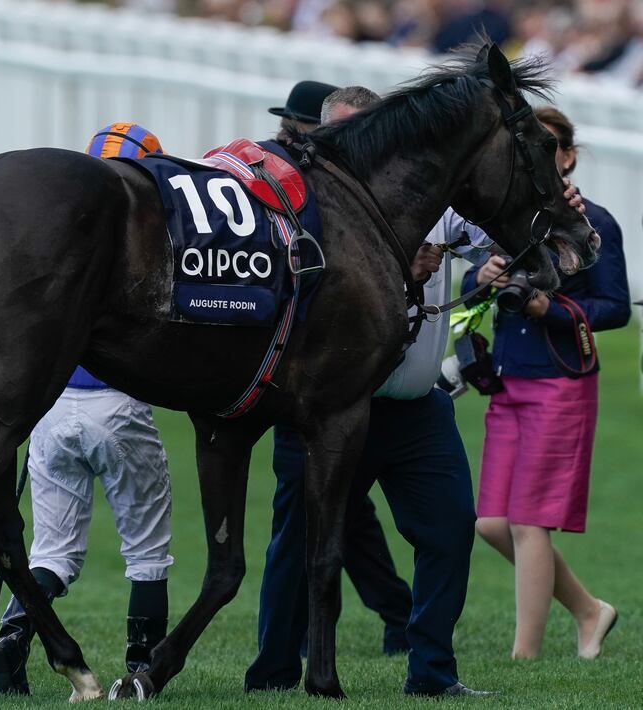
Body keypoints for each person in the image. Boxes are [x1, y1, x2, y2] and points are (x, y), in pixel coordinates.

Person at [0, 123, 174, 696]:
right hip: (118, 408)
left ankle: (16, 634)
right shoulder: (153, 241)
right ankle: (142, 667)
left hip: (53, 409)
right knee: (147, 551)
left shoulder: (55, 239)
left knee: (52, 552)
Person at [246, 84, 415, 694]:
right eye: (309, 130)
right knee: (305, 528)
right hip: (312, 394)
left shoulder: (379, 199)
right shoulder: (293, 191)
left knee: (344, 523)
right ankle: (275, 663)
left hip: (378, 398)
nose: (304, 141)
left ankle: (399, 624)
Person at [463, 105, 630, 661]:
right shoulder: (511, 219)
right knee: (491, 523)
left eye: (552, 143)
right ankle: (589, 611)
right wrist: (480, 275)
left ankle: (523, 656)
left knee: (530, 521)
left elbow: (613, 308)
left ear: (569, 154)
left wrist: (548, 306)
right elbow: (474, 280)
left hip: (561, 380)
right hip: (509, 380)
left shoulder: (596, 222)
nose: (543, 152)